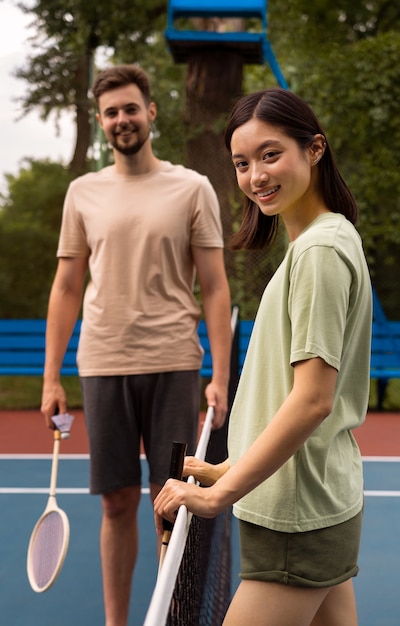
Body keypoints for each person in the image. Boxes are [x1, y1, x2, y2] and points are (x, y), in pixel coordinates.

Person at [154, 87, 372, 626]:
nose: (256, 176)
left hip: (294, 521)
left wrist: (218, 493)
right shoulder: (328, 239)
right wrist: (225, 466)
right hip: (317, 502)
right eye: (242, 163)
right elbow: (286, 397)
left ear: (314, 149)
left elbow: (313, 401)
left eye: (271, 155)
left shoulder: (319, 252)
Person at [40, 64, 231, 626]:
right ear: (102, 123)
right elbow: (67, 286)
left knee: (171, 505)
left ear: (151, 111)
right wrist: (53, 378)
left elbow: (216, 289)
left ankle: (170, 616)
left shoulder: (192, 187)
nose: (122, 119)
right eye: (111, 112)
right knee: (117, 502)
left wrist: (220, 374)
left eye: (130, 108)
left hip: (174, 361)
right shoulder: (83, 193)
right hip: (102, 365)